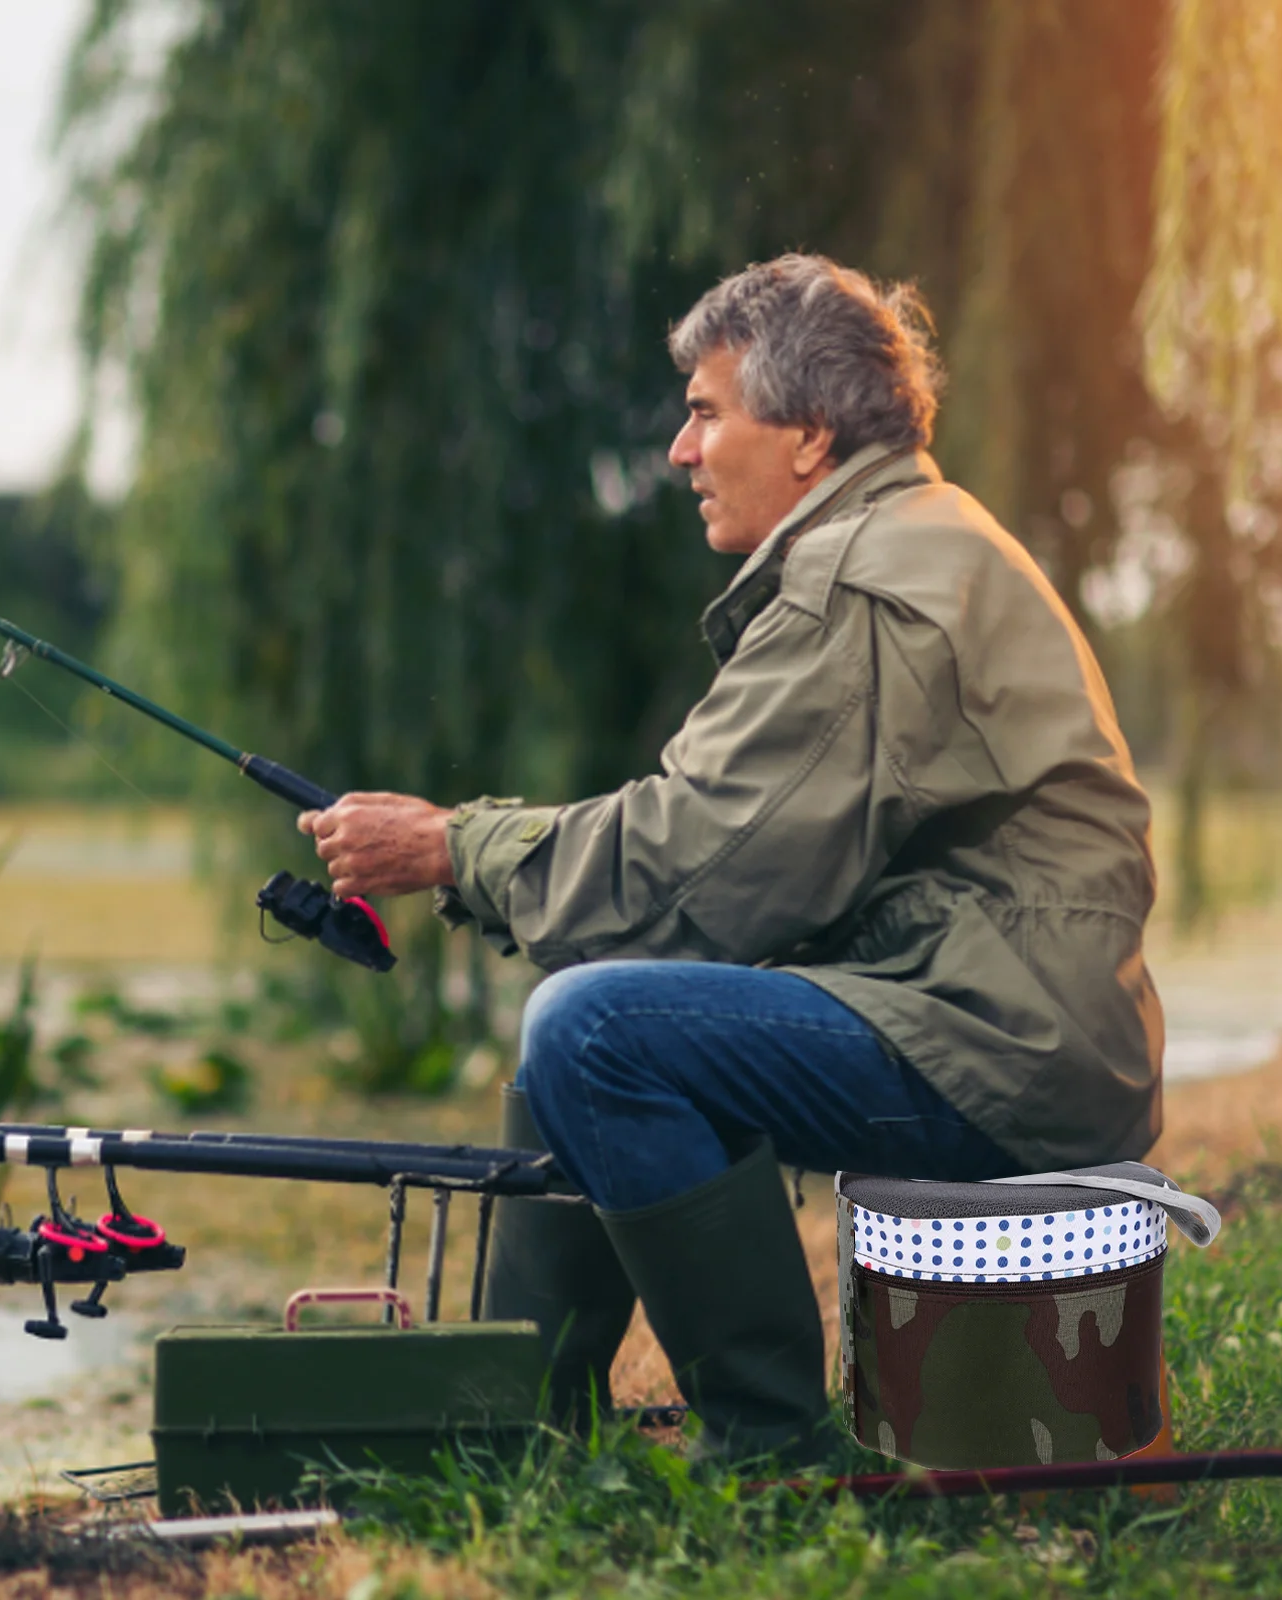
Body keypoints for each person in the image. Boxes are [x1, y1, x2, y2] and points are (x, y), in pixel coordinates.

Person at [296, 254, 1162, 1463]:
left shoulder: (860, 586)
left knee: (594, 1027)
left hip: (996, 1053)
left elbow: (693, 870)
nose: (678, 450)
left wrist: (453, 846)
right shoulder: (906, 538)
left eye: (705, 412)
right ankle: (510, 1432)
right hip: (998, 1024)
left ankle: (771, 1448)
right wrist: (480, 856)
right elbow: (711, 867)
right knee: (582, 1023)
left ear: (808, 436)